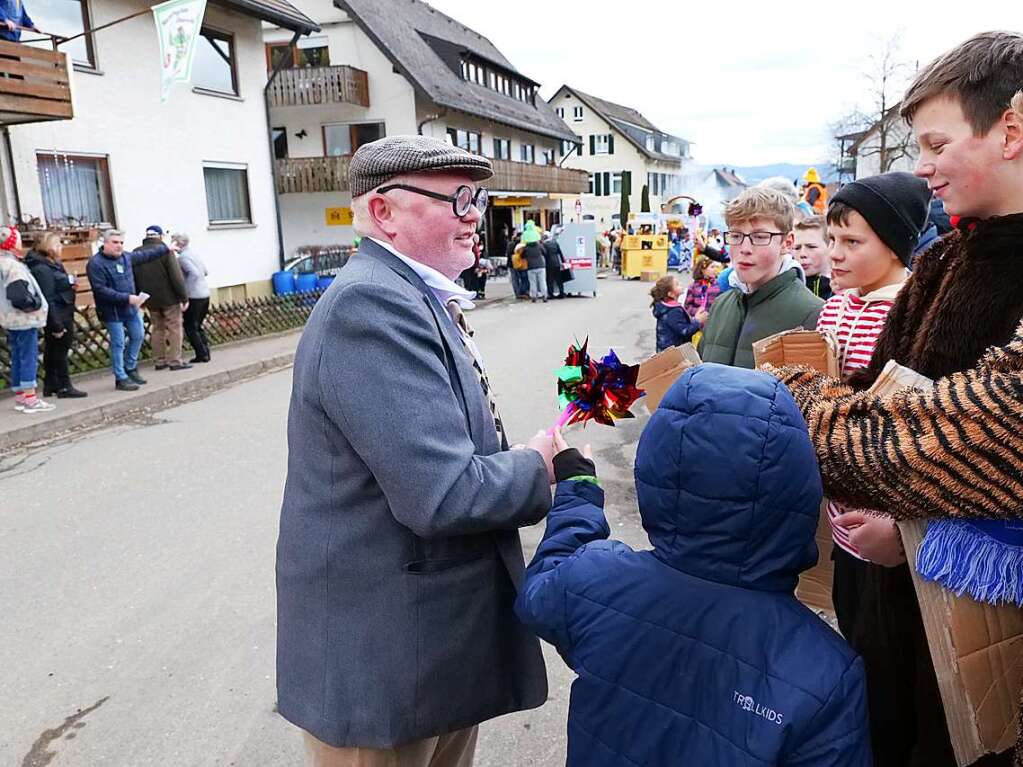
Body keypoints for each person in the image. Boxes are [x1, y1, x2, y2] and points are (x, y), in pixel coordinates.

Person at [769, 32, 1023, 767]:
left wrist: (779, 397)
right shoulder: (942, 261)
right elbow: (878, 405)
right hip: (894, 614)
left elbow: (933, 440)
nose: (920, 167)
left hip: (989, 644)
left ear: (1011, 128)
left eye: (934, 142)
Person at [277, 135, 555, 767]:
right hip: (388, 661)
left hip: (425, 647)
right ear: (384, 214)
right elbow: (443, 493)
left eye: (477, 197)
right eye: (458, 198)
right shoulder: (371, 303)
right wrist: (540, 468)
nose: (474, 214)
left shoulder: (410, 292)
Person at [515, 365, 871, 767]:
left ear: (657, 465)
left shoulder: (595, 584)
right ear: (800, 484)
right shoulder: (827, 672)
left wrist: (578, 488)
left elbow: (541, 590)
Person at [815, 172, 930, 645]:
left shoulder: (908, 311)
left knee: (883, 635)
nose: (835, 252)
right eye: (831, 239)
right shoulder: (833, 306)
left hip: (886, 514)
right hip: (840, 503)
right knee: (849, 618)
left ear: (894, 247)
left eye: (852, 241)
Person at [698, 186, 824, 368]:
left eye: (759, 237)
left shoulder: (812, 314)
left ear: (786, 243)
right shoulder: (720, 305)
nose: (745, 248)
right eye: (736, 236)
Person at [86, 229, 174, 391]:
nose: (119, 246)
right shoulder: (95, 264)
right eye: (115, 242)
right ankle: (120, 377)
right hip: (112, 310)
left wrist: (166, 248)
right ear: (104, 243)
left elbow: (145, 256)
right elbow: (100, 290)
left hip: (131, 308)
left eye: (121, 243)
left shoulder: (126, 257)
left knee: (138, 335)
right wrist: (126, 298)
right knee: (118, 343)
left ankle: (130, 368)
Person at [25, 232, 86, 398]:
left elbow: (58, 283)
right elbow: (48, 298)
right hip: (58, 313)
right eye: (58, 244)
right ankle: (64, 385)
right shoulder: (42, 268)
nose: (61, 247)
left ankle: (51, 384)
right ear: (49, 247)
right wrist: (56, 324)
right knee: (59, 350)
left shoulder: (52, 264)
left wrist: (69, 284)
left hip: (63, 308)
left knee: (53, 349)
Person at [1, 226, 53, 412]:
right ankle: (30, 397)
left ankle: (20, 395)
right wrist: (34, 304)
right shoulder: (13, 265)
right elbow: (19, 294)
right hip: (23, 318)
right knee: (28, 355)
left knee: (17, 354)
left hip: (7, 317)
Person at [133, 225, 190, 371]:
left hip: (149, 298)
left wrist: (139, 297)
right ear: (160, 236)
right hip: (169, 297)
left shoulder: (136, 252)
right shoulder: (165, 250)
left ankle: (159, 360)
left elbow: (134, 277)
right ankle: (175, 361)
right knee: (174, 328)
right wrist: (184, 297)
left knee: (157, 328)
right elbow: (176, 276)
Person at [173, 233, 211, 363]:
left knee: (190, 326)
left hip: (194, 296)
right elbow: (205, 271)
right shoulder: (194, 254)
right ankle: (206, 352)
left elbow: (193, 274)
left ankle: (201, 354)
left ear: (179, 244)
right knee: (198, 325)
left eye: (173, 241)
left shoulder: (183, 258)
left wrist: (186, 292)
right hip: (205, 293)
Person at [650, 274, 705, 352]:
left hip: (667, 350)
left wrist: (695, 318)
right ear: (671, 294)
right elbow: (684, 331)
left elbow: (681, 325)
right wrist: (698, 321)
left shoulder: (669, 307)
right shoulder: (673, 311)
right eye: (677, 284)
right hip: (672, 353)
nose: (681, 285)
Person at [793, 215, 833, 299]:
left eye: (811, 247)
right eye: (797, 248)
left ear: (830, 246)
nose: (802, 254)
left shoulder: (846, 291)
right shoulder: (788, 287)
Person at [521, 221, 546, 302]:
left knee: (533, 283)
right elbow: (545, 252)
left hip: (531, 267)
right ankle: (544, 296)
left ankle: (534, 296)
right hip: (541, 266)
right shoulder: (539, 246)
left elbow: (522, 256)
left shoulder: (526, 248)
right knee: (542, 281)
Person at [542, 231, 567, 299]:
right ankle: (561, 293)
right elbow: (560, 253)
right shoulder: (555, 243)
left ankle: (551, 294)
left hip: (549, 264)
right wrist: (563, 261)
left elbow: (543, 254)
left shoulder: (544, 245)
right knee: (559, 279)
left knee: (550, 279)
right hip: (557, 263)